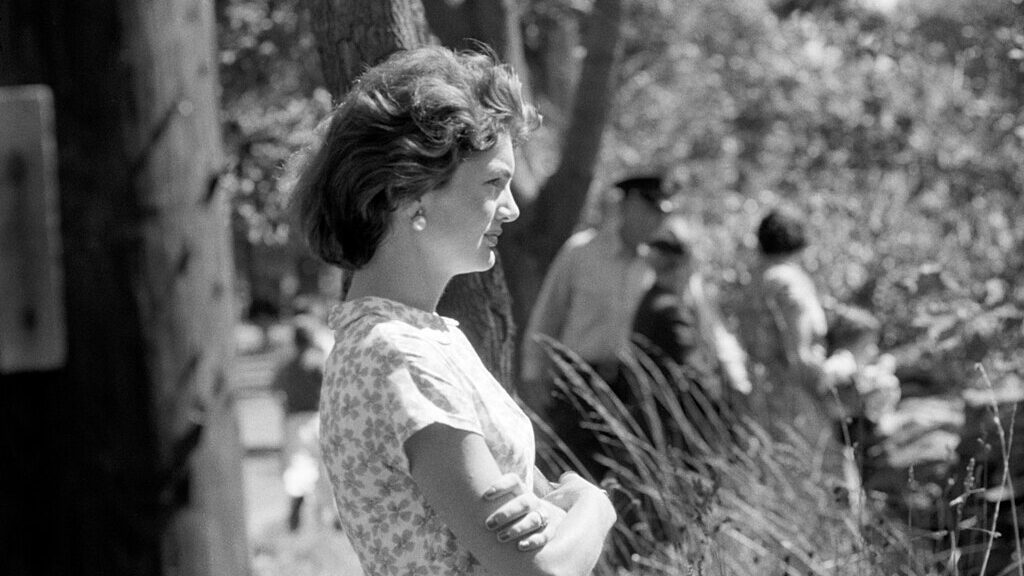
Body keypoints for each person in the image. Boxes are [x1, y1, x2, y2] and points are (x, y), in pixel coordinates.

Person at [287, 46, 615, 576]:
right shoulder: (398, 354)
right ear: (409, 193)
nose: (509, 207)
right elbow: (540, 569)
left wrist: (559, 511)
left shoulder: (421, 337)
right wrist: (597, 508)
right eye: (493, 183)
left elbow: (539, 517)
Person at [519, 175, 675, 477]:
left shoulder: (660, 264)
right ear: (627, 205)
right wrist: (534, 374)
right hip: (578, 382)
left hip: (635, 390)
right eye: (650, 210)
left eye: (662, 214)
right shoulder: (581, 252)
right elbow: (548, 313)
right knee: (571, 474)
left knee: (629, 482)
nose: (656, 221)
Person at [630, 218, 751, 448]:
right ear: (683, 264)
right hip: (677, 433)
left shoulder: (650, 301)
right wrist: (730, 417)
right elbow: (696, 375)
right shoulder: (669, 311)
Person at [271, 315, 330, 531]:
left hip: (295, 420)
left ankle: (297, 510)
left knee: (299, 467)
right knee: (323, 468)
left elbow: (275, 388)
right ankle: (329, 516)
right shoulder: (316, 360)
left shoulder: (287, 363)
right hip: (317, 417)